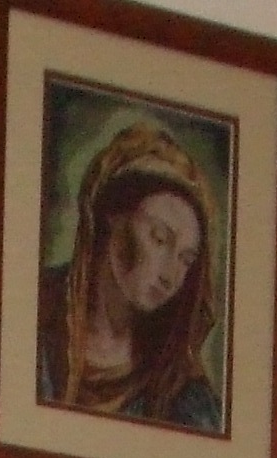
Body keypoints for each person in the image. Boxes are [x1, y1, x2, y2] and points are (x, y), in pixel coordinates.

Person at [37, 116, 225, 431]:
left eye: (186, 259)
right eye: (159, 239)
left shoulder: (183, 392)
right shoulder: (33, 315)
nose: (170, 277)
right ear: (113, 213)